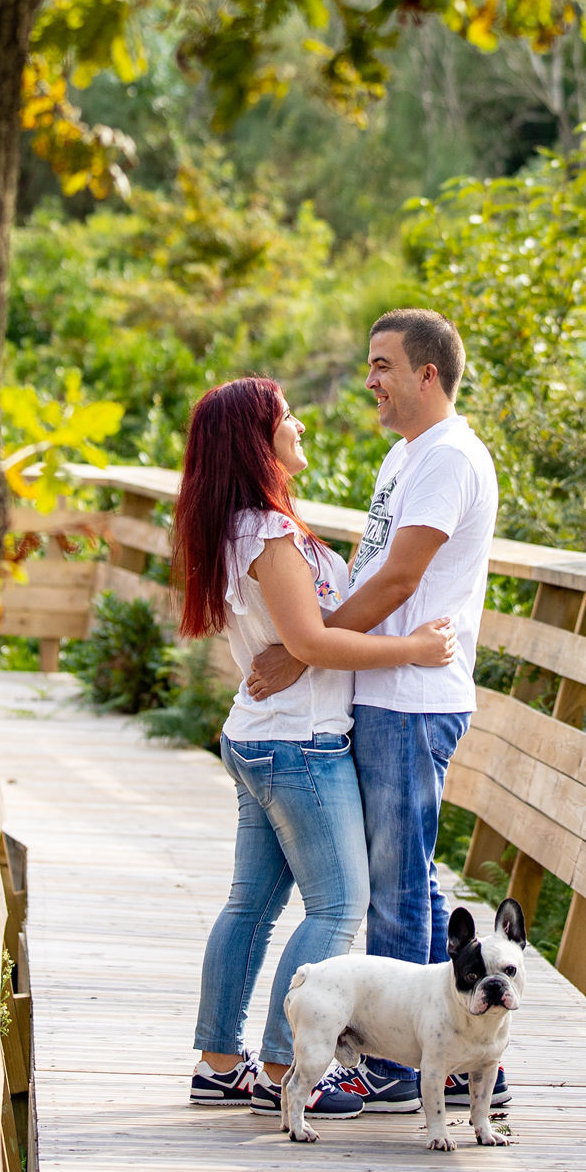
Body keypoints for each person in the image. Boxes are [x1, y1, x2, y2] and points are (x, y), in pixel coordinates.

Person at [175, 376, 457, 1113]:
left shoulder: (242, 524)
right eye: (285, 416)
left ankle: (217, 1063)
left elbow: (300, 638)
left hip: (262, 738)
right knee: (338, 907)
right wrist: (415, 652)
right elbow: (312, 642)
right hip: (300, 744)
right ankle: (285, 1071)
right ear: (255, 438)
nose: (298, 424)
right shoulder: (265, 532)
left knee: (251, 906)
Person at [248, 308, 500, 1116]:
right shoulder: (404, 454)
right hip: (387, 696)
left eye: (383, 364)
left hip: (414, 701)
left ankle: (394, 1073)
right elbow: (373, 569)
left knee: (396, 886)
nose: (371, 380)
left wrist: (305, 647)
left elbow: (396, 582)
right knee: (413, 881)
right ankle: (450, 1061)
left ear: (428, 374)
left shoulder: (449, 459)